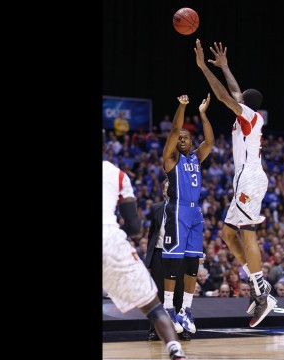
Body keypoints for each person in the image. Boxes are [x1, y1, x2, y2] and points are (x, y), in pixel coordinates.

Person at [194, 39, 276, 327]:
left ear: (245, 105)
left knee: (248, 233)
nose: (237, 99)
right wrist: (226, 67)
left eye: (240, 100)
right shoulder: (248, 115)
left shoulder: (250, 116)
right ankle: (257, 286)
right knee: (228, 235)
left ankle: (263, 291)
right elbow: (235, 92)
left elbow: (225, 97)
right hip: (245, 180)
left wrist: (204, 68)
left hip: (251, 178)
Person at [102, 131, 187, 360]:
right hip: (109, 238)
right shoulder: (117, 174)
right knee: (153, 306)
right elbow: (135, 227)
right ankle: (175, 350)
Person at [161, 94, 215, 335]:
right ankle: (168, 308)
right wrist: (182, 107)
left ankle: (185, 309)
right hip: (177, 210)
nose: (181, 139)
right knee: (174, 260)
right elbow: (174, 128)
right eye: (179, 138)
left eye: (185, 137)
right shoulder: (170, 159)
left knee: (193, 262)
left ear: (191, 142)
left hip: (195, 214)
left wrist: (203, 115)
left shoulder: (196, 156)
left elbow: (210, 141)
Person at [144, 179, 190, 341]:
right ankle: (155, 330)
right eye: (167, 187)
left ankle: (181, 329)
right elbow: (152, 235)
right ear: (163, 191)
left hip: (179, 255)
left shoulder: (185, 209)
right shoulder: (156, 208)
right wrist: (149, 261)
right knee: (158, 294)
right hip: (159, 253)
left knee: (178, 293)